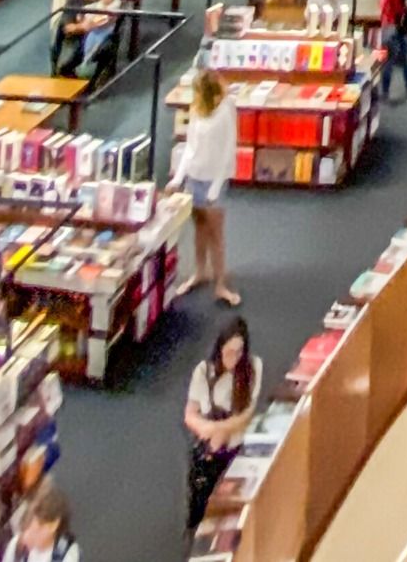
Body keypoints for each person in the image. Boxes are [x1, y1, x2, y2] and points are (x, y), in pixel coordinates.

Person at [183, 314, 261, 533]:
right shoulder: (203, 372)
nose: (234, 358)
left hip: (234, 450)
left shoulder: (253, 368)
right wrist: (205, 430)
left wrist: (217, 429)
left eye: (239, 352)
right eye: (229, 352)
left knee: (229, 512)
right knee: (200, 507)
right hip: (207, 452)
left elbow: (246, 416)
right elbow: (190, 414)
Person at [173, 66, 242, 304]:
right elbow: (190, 146)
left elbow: (228, 151)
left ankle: (221, 284)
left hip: (215, 179)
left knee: (216, 234)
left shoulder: (226, 110)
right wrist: (178, 177)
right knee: (199, 227)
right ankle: (200, 272)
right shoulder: (196, 109)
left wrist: (215, 187)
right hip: (195, 176)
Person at [49, 0, 119, 82]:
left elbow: (119, 4)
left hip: (102, 30)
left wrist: (111, 16)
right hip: (80, 33)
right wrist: (83, 26)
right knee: (66, 65)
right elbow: (67, 27)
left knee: (106, 45)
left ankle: (99, 76)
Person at [0, 478, 81, 562]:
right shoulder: (18, 545)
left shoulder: (66, 557)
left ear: (52, 526)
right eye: (24, 530)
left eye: (33, 532)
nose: (26, 537)